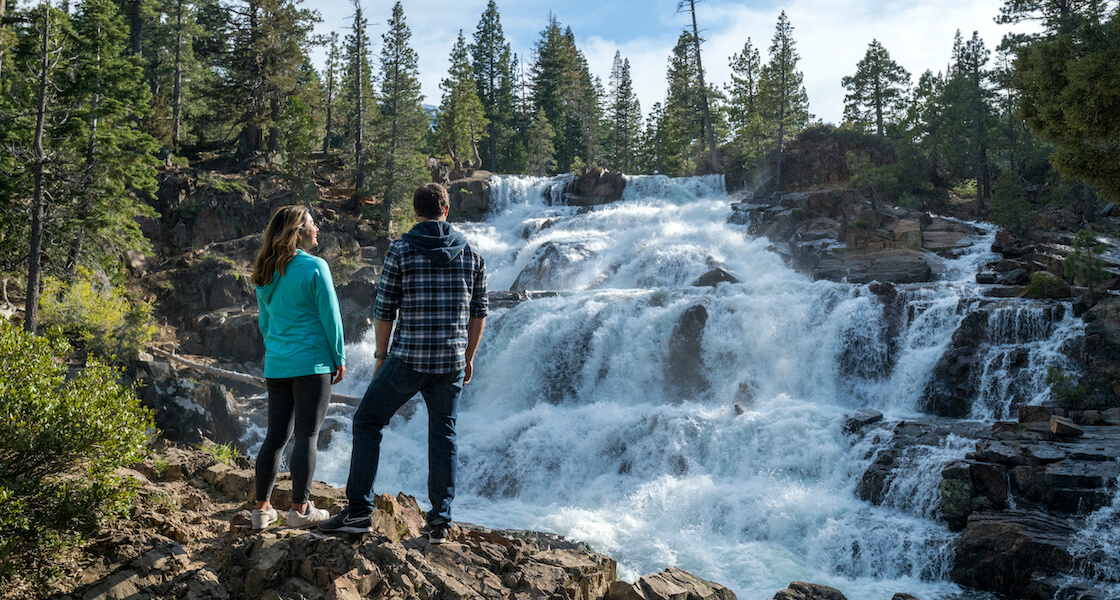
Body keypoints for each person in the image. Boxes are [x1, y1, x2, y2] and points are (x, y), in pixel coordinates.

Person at [320, 183, 487, 544]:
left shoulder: (402, 249)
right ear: (446, 210)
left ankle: (359, 512)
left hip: (409, 358)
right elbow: (479, 312)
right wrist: (469, 356)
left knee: (367, 421)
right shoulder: (472, 254)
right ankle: (441, 522)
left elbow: (384, 309)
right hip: (450, 363)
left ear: (416, 212)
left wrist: (380, 357)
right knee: (444, 435)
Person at [250, 205, 346, 529]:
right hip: (312, 364)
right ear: (299, 231)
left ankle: (262, 510)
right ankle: (299, 510)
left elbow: (265, 324)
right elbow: (330, 317)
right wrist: (339, 356)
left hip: (276, 365)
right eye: (312, 224)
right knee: (307, 435)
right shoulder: (316, 267)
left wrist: (277, 350)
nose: (317, 228)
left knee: (275, 437)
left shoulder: (266, 271)